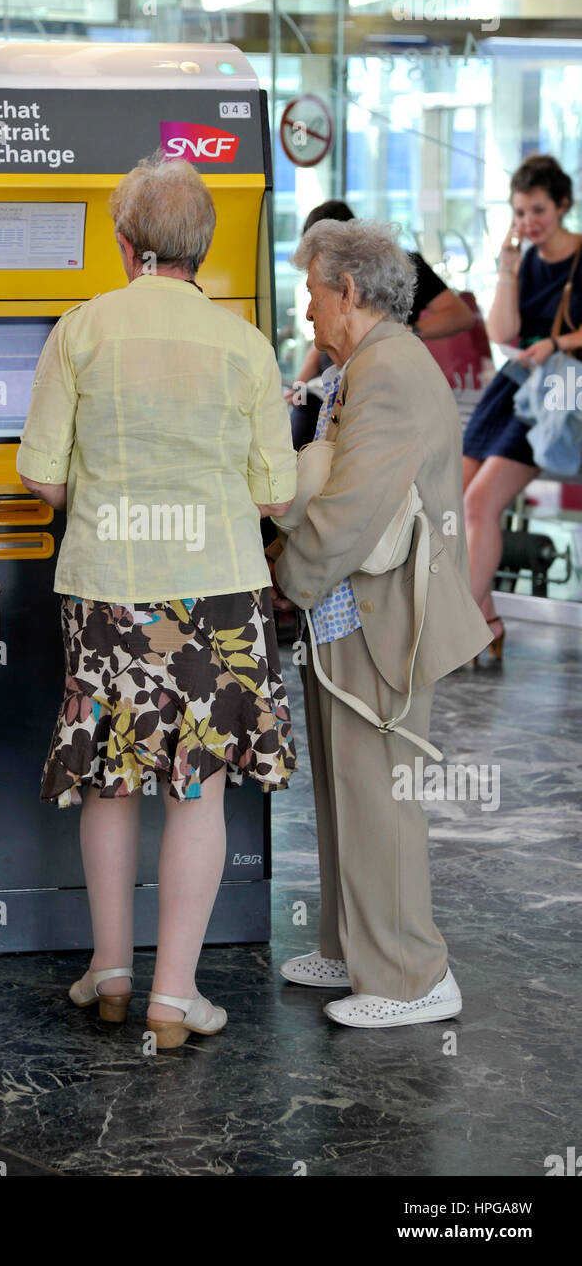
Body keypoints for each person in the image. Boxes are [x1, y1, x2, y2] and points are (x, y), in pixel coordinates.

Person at [17, 154, 298, 1050]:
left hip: (106, 589)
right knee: (196, 785)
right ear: (202, 248)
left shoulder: (80, 330)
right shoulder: (246, 346)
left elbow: (40, 480)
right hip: (217, 596)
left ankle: (109, 970)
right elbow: (273, 495)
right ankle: (174, 997)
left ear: (124, 242)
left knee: (109, 775)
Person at [269, 219, 490, 1028]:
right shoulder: (369, 363)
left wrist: (285, 577)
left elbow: (351, 511)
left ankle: (411, 977)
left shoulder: (388, 370)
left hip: (383, 615)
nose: (307, 308)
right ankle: (353, 946)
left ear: (349, 293)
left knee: (379, 792)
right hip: (354, 613)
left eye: (313, 292)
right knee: (346, 789)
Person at [463, 154, 582, 661]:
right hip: (516, 387)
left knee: (478, 504)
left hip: (557, 394)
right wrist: (507, 271)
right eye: (520, 212)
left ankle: (463, 628)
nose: (529, 222)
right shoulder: (528, 258)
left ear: (562, 206)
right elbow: (500, 332)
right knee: (451, 500)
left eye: (538, 210)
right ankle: (485, 617)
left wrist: (555, 346)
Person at [287, 200, 473, 448]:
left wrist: (412, 331)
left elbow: (460, 315)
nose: (310, 313)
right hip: (330, 386)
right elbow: (318, 345)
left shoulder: (397, 270)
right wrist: (298, 388)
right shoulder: (334, 357)